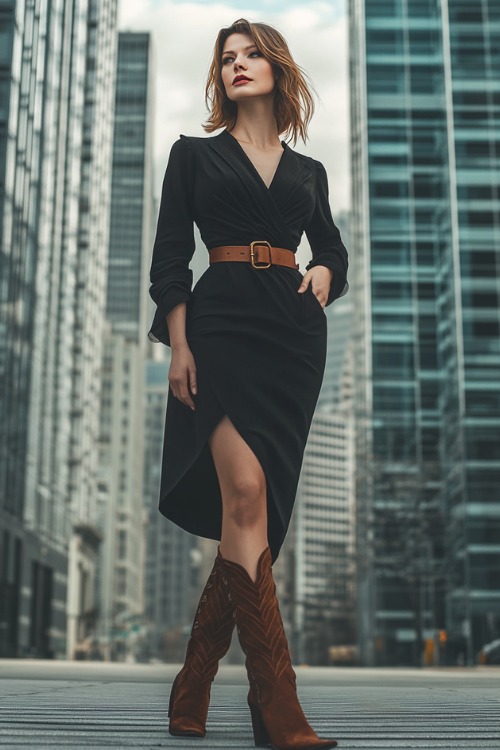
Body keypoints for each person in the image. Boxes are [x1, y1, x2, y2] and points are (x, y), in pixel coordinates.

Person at [148, 17, 348, 749]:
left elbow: (331, 250)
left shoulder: (309, 174)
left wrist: (326, 270)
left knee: (257, 513)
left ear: (277, 67)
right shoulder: (193, 157)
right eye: (225, 58)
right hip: (221, 323)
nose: (236, 65)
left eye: (250, 54)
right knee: (245, 494)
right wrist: (178, 345)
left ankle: (195, 679)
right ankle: (278, 705)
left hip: (293, 340)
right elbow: (170, 259)